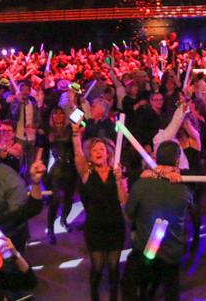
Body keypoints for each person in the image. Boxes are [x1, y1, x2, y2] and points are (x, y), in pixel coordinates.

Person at [122, 141, 191, 301]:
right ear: (177, 161)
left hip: (145, 250)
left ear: (156, 158)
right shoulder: (185, 189)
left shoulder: (141, 185)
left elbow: (129, 216)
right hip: (171, 252)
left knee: (131, 285)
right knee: (171, 292)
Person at [72, 123, 128, 301]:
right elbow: (78, 155)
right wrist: (75, 134)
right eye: (94, 150)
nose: (98, 152)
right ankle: (95, 296)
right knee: (97, 266)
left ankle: (113, 297)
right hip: (94, 227)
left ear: (108, 153)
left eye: (101, 149)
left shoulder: (116, 171)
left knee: (113, 267)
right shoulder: (87, 172)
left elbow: (124, 201)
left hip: (115, 226)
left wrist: (119, 181)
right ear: (90, 154)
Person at [38, 107, 76, 243]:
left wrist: (74, 104)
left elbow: (81, 117)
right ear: (52, 116)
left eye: (61, 114)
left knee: (69, 198)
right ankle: (50, 229)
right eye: (55, 114)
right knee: (54, 200)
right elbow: (41, 150)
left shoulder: (70, 129)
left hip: (70, 168)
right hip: (55, 169)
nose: (58, 116)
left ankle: (64, 219)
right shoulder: (47, 130)